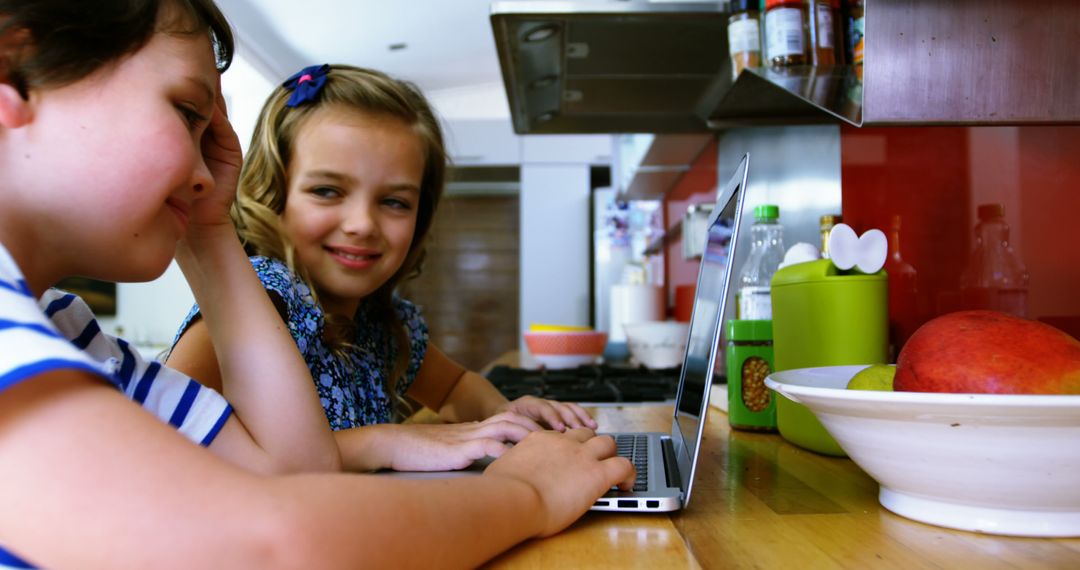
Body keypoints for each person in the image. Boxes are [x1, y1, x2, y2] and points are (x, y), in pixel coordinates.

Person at [0, 1, 634, 567]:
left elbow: (293, 472)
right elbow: (272, 538)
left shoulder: (68, 332)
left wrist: (212, 231)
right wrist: (523, 495)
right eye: (189, 112)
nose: (203, 171)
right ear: (13, 72)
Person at [166, 63, 598, 472]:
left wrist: (502, 412)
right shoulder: (255, 301)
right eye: (327, 190)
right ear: (273, 194)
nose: (362, 225)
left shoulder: (383, 324)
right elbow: (163, 448)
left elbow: (454, 388)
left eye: (394, 202)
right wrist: (386, 441)